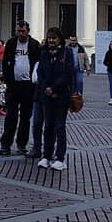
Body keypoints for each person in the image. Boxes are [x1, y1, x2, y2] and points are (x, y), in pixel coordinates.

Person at [0, 21, 41, 157]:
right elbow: (5, 63)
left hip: (28, 86)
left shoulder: (34, 45)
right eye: (18, 31)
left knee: (25, 117)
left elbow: (38, 64)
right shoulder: (11, 43)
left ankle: (22, 144)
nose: (20, 34)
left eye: (22, 31)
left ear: (28, 31)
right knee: (10, 116)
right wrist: (7, 80)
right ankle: (6, 145)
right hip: (13, 85)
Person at [35, 28, 75, 170]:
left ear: (59, 39)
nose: (51, 40)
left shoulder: (66, 53)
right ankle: (46, 156)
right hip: (46, 96)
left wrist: (54, 88)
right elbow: (40, 73)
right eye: (49, 38)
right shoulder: (44, 54)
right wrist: (46, 88)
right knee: (48, 127)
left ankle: (60, 158)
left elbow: (68, 74)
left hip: (61, 96)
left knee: (59, 126)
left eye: (54, 38)